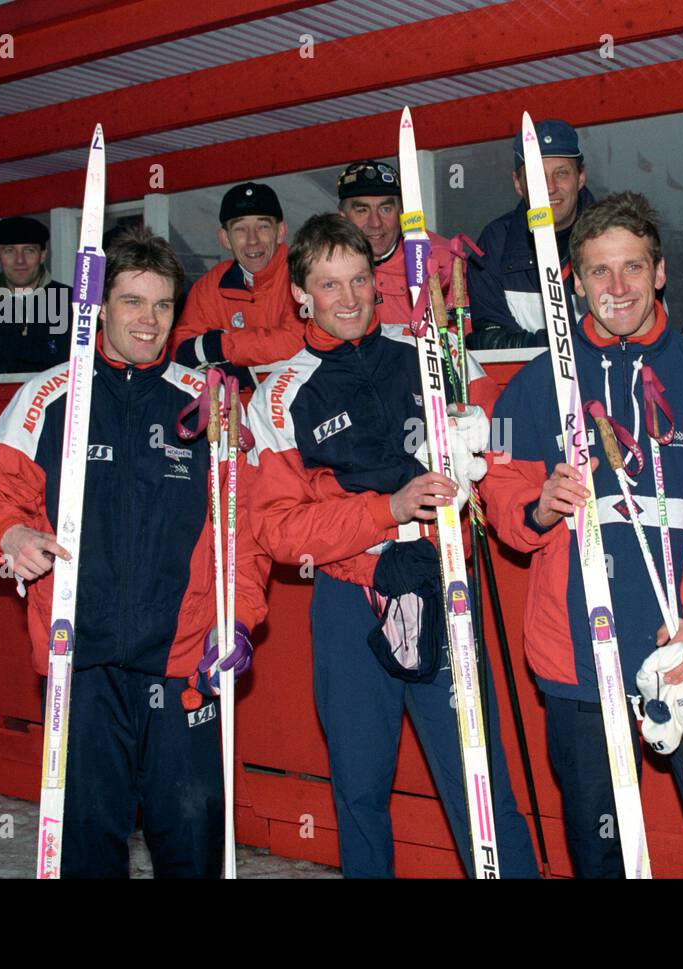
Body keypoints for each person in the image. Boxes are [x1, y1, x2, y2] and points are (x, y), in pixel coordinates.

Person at [480, 191, 683, 878]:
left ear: (658, 272)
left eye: (632, 268)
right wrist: (538, 506)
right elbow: (501, 498)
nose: (616, 288)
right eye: (599, 271)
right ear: (576, 282)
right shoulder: (535, 386)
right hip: (579, 656)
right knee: (601, 846)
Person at [0, 226, 269, 878]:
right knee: (88, 846)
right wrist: (11, 535)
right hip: (83, 663)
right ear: (100, 307)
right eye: (132, 301)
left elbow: (246, 531)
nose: (148, 320)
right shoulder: (46, 396)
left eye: (162, 305)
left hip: (183, 663)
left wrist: (237, 618)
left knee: (190, 839)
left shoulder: (209, 404)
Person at [245, 213, 538, 878]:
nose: (348, 299)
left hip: (442, 584)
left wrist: (480, 434)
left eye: (358, 281)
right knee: (360, 785)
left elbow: (506, 441)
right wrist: (388, 508)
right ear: (300, 294)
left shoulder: (428, 354)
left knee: (479, 778)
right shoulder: (279, 393)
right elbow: (281, 530)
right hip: (353, 599)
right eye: (328, 285)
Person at [467, 119, 595, 348]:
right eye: (537, 175)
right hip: (527, 379)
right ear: (518, 184)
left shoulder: (616, 234)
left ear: (581, 177)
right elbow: (489, 340)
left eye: (562, 173)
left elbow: (639, 321)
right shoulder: (495, 242)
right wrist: (563, 345)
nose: (549, 188)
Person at [170, 181, 303, 382]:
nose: (252, 240)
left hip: (299, 404)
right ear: (225, 238)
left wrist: (220, 347)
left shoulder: (303, 273)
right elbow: (181, 350)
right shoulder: (210, 287)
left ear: (281, 232)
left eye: (263, 226)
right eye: (240, 229)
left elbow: (296, 341)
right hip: (232, 409)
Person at [335, 159, 452, 326]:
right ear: (343, 217)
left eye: (385, 209)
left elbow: (462, 332)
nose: (375, 223)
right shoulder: (327, 263)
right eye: (362, 210)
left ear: (401, 213)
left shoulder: (439, 257)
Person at [0, 215, 74, 375]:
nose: (20, 260)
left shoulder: (72, 304)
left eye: (29, 250)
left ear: (43, 255)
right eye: (9, 251)